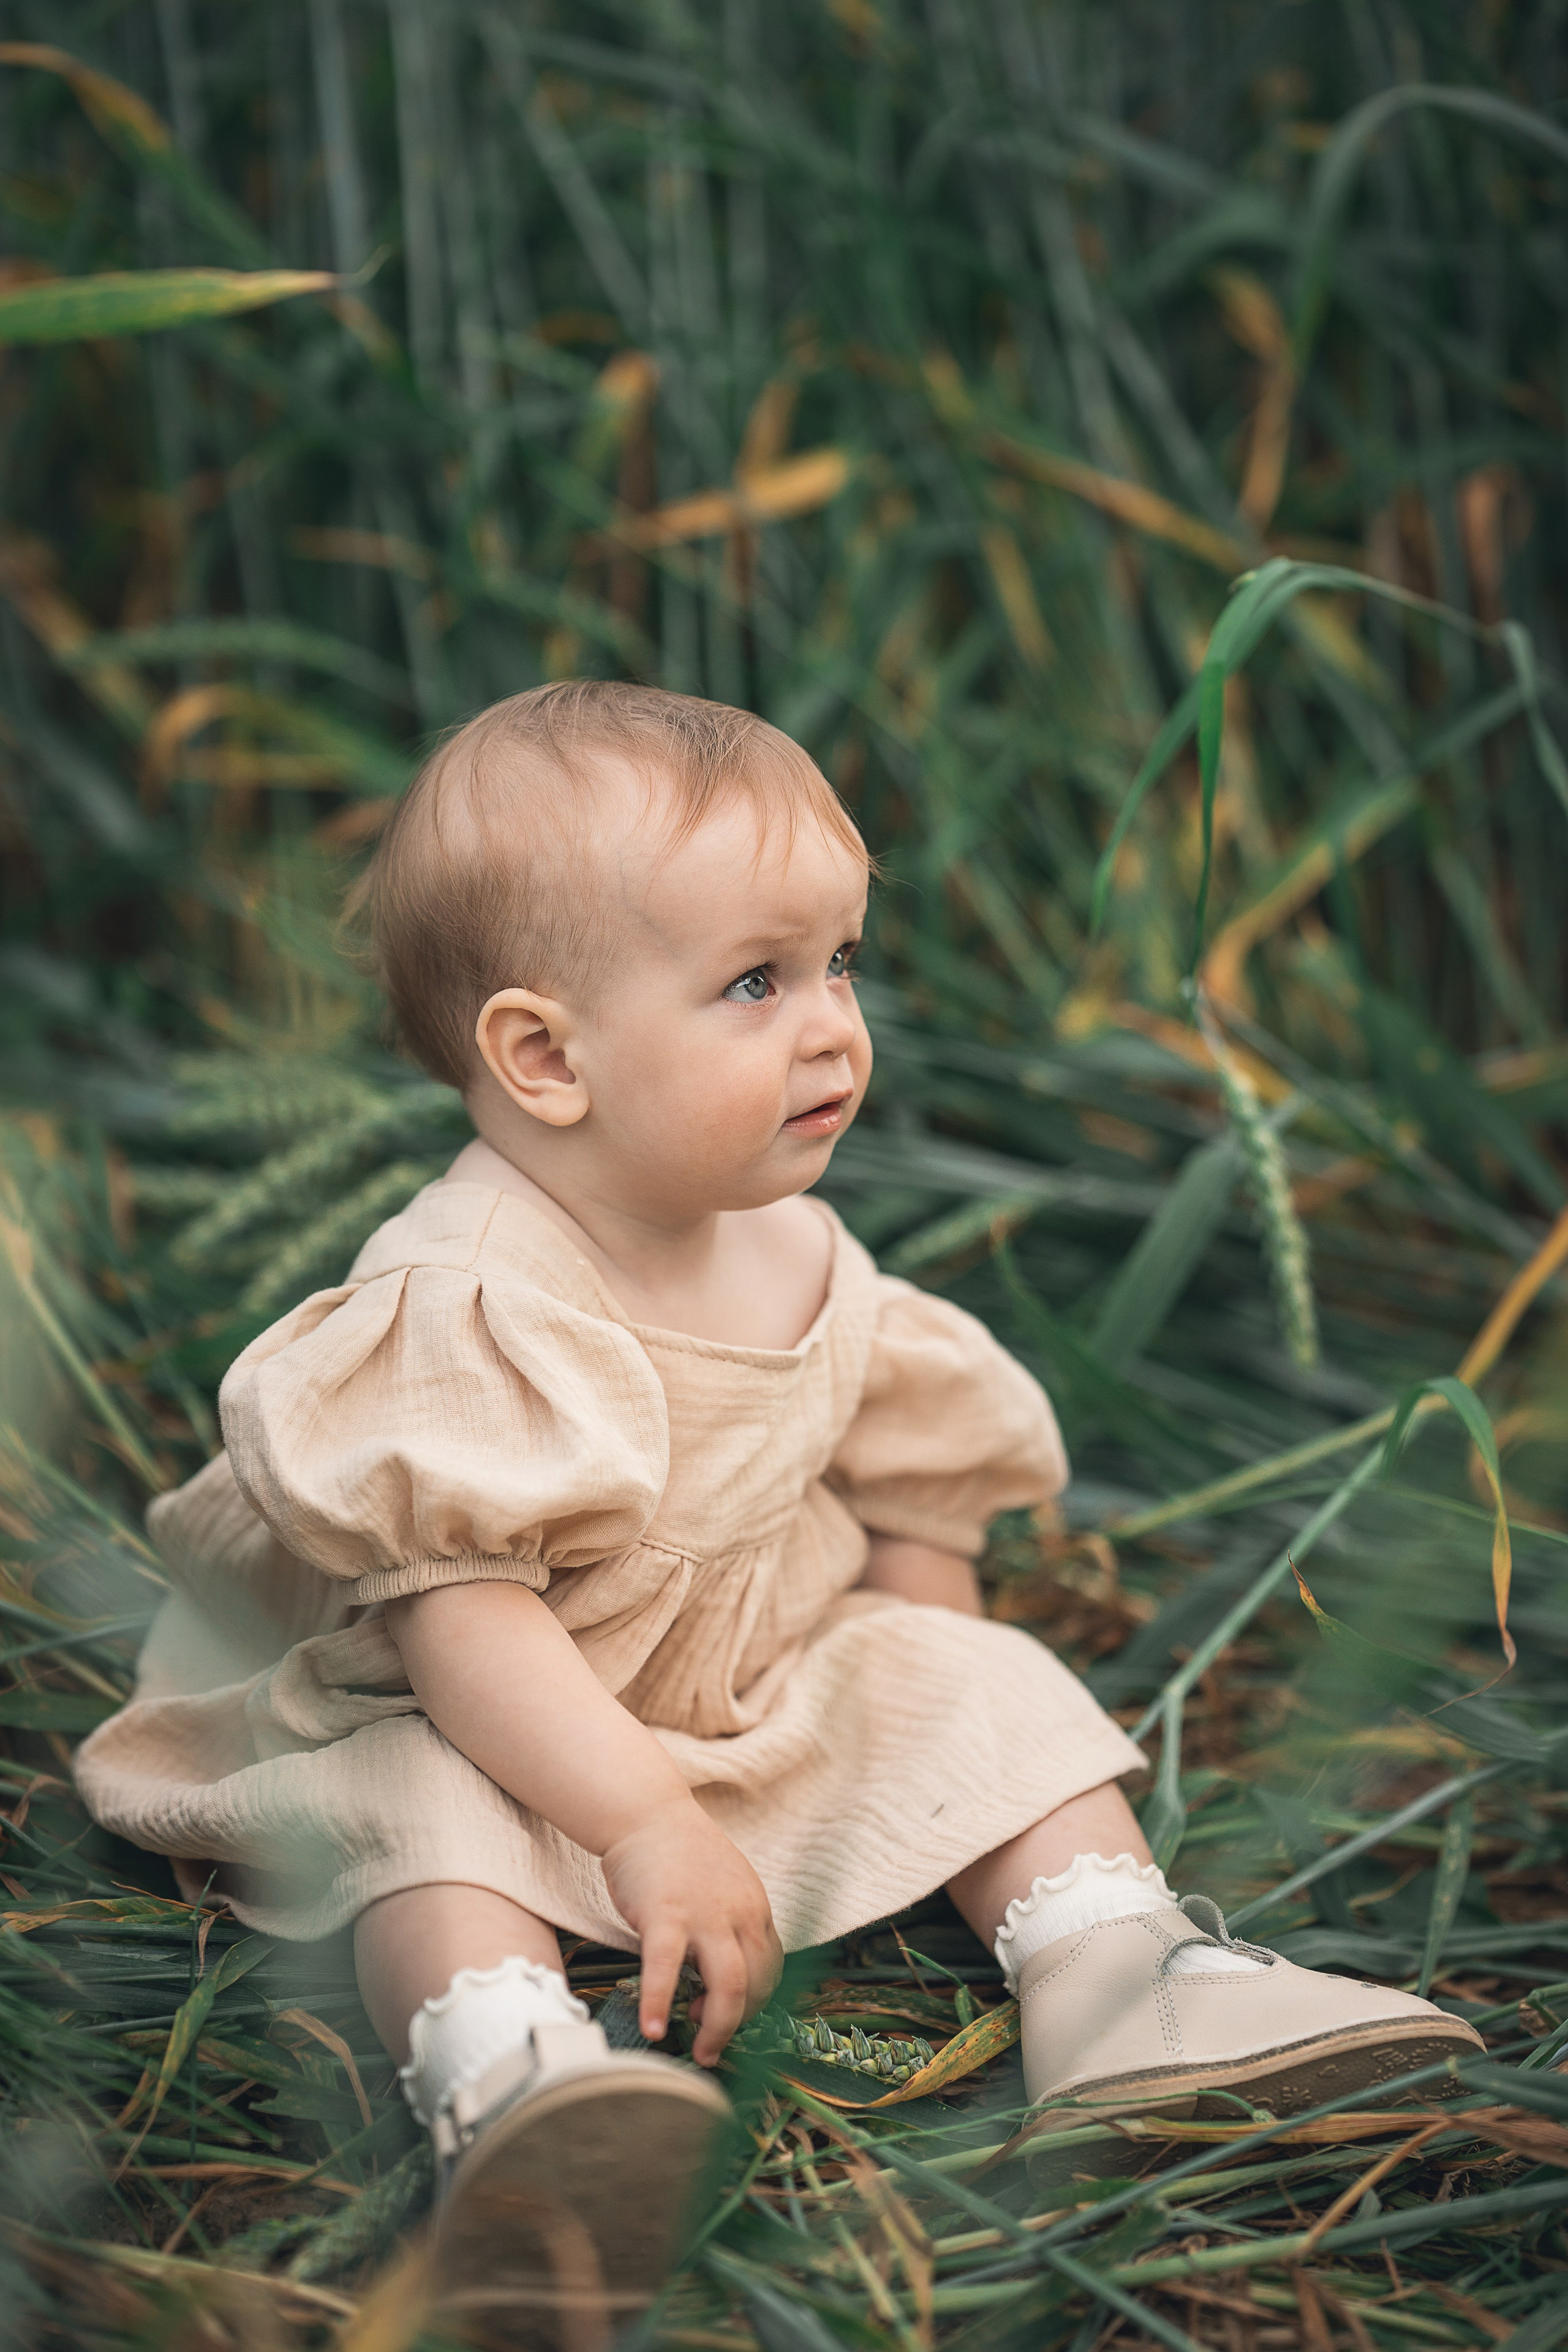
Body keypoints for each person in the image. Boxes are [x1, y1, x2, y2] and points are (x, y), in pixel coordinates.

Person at [77, 682, 1478, 2337]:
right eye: (755, 982)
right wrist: (645, 1824)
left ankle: (1115, 1983)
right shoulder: (466, 1302)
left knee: (986, 1673)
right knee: (417, 1811)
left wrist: (939, 1731)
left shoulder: (802, 1252)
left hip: (739, 1696)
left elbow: (910, 1482)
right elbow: (464, 1628)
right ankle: (510, 2076)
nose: (831, 1026)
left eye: (840, 963)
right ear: (544, 1056)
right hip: (501, 1712)